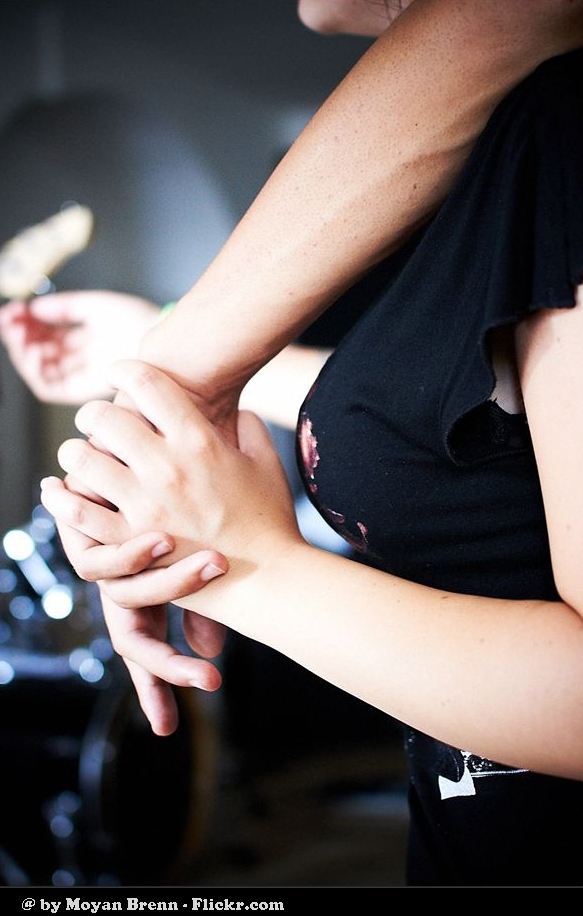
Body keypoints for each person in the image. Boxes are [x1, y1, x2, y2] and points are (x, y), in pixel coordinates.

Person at [21, 0, 583, 887]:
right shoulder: (483, 154)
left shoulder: (565, 130)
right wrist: (151, 356)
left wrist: (243, 564)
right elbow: (444, 417)